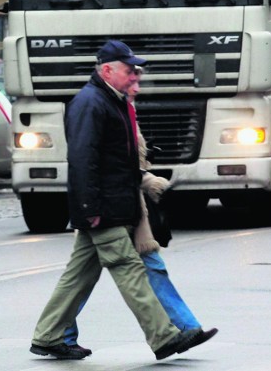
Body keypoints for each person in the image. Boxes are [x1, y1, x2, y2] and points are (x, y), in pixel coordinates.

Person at [30, 40, 202, 361]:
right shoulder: (91, 103)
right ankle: (163, 336)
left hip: (111, 204)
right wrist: (90, 209)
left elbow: (119, 160)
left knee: (79, 275)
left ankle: (48, 335)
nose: (134, 76)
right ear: (107, 70)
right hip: (101, 208)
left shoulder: (110, 100)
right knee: (129, 269)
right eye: (128, 70)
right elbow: (83, 161)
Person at [63, 71, 218, 353]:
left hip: (125, 204)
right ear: (112, 75)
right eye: (132, 80)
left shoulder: (122, 109)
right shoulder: (98, 106)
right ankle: (170, 333)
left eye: (138, 81)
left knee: (88, 275)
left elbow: (124, 164)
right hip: (108, 207)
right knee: (110, 273)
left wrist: (148, 181)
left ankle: (184, 327)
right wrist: (91, 207)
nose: (137, 86)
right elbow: (89, 162)